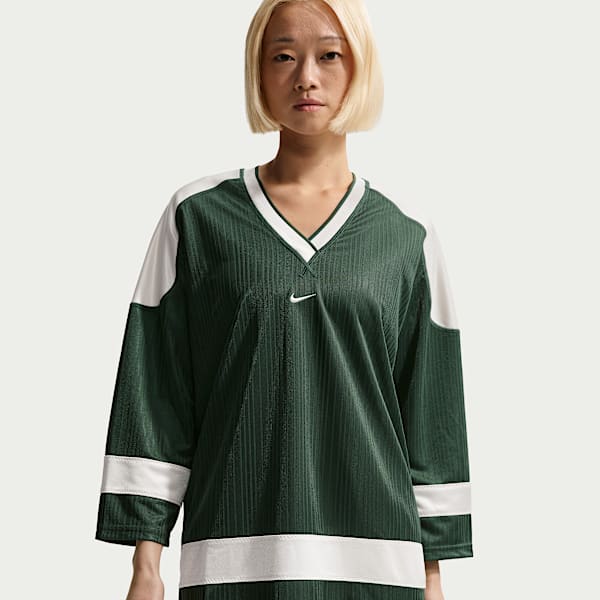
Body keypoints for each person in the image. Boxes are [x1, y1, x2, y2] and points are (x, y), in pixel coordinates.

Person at [94, 0, 474, 599]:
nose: (306, 77)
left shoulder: (407, 235)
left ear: (359, 68)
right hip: (232, 563)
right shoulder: (199, 218)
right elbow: (157, 392)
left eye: (330, 55)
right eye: (283, 57)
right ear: (258, 71)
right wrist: (146, 563)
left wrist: (433, 575)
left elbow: (431, 413)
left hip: (377, 570)